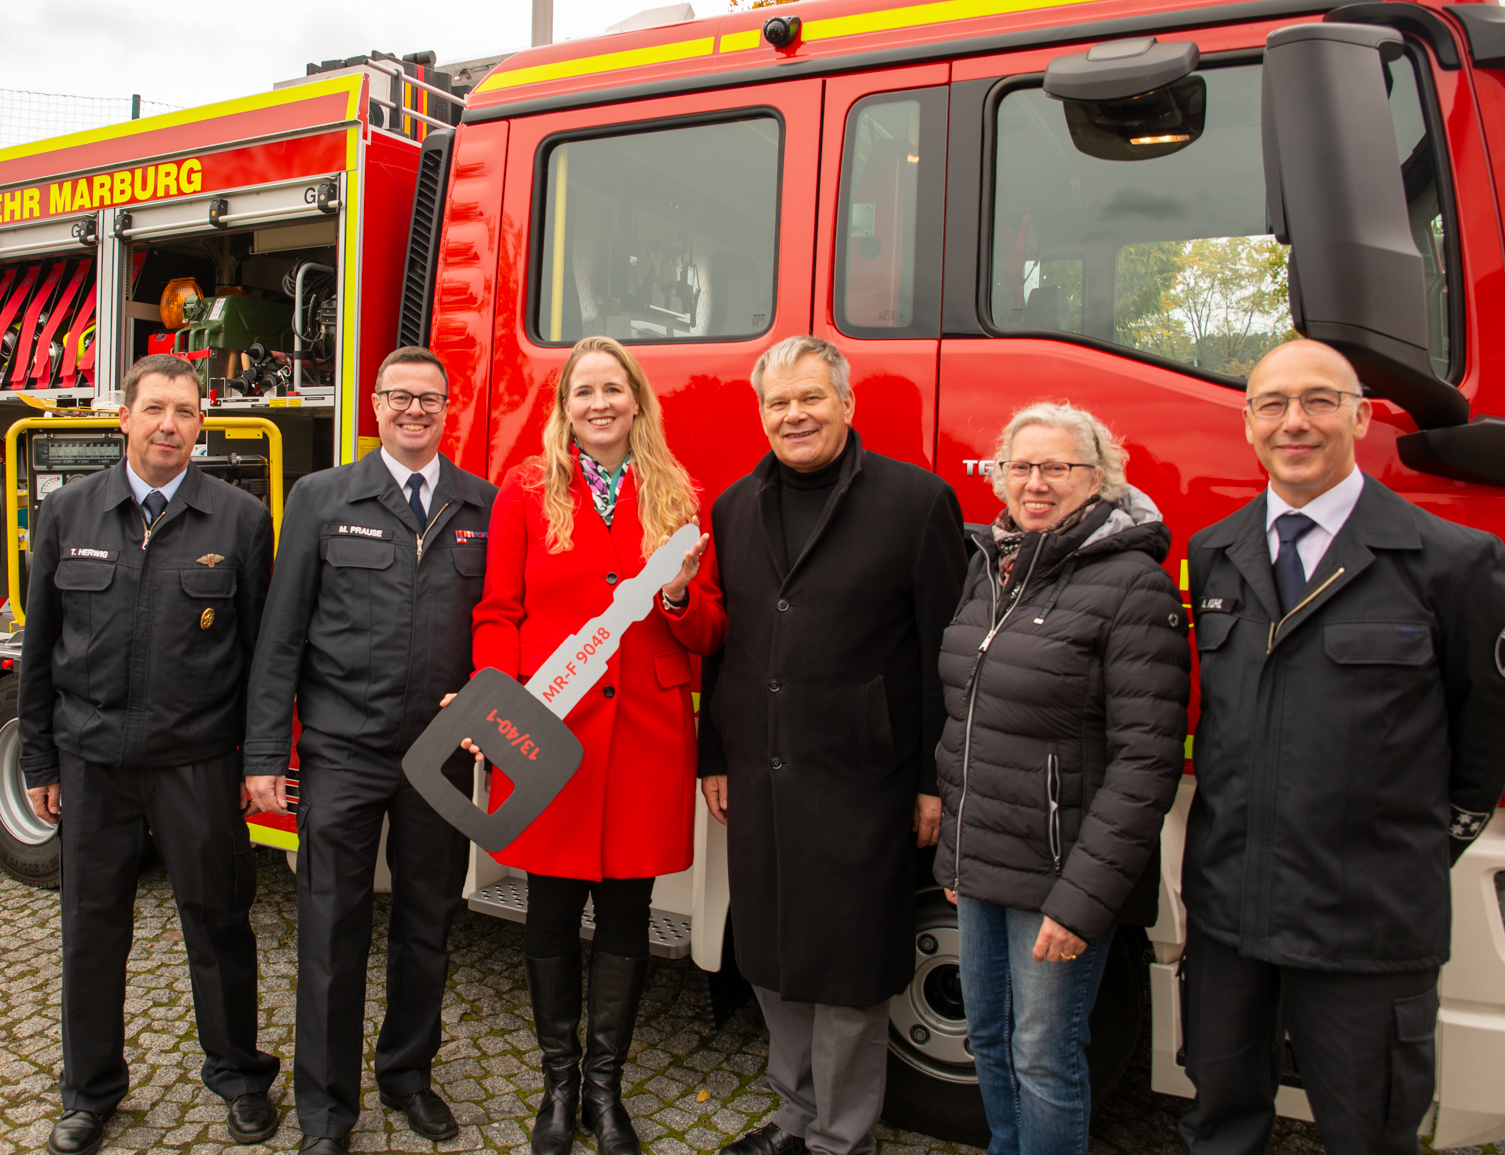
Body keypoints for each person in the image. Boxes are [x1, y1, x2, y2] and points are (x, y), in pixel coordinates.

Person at [1179, 339, 1505, 1155]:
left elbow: (1496, 716)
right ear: (1247, 423)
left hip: (1366, 919)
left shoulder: (1448, 560)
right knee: (1218, 1121)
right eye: (1271, 404)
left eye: (1318, 401)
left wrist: (1424, 838)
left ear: (1361, 416)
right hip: (1230, 906)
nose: (1292, 422)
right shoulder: (1217, 551)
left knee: (1368, 1133)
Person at [698, 335, 966, 1155]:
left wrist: (931, 780)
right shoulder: (735, 505)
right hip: (760, 770)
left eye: (810, 398)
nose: (794, 415)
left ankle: (842, 1137)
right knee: (772, 954)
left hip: (865, 776)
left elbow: (941, 651)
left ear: (847, 404)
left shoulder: (917, 501)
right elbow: (726, 642)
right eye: (778, 403)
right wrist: (714, 751)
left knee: (849, 968)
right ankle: (793, 1116)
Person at [19, 354, 283, 1155]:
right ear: (123, 418)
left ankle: (239, 1075)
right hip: (91, 760)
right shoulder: (68, 513)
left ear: (203, 426)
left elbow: (261, 652)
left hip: (196, 762)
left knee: (220, 923)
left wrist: (254, 757)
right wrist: (39, 761)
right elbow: (38, 647)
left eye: (187, 411)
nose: (170, 424)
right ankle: (89, 1091)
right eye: (156, 408)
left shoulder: (239, 519)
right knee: (92, 931)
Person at [466, 335, 723, 1155]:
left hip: (647, 735)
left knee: (626, 912)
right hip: (551, 728)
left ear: (637, 399)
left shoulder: (679, 494)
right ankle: (556, 1083)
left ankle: (604, 1091)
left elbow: (711, 630)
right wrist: (500, 714)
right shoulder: (528, 490)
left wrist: (679, 596)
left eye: (614, 388)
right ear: (564, 406)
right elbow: (498, 611)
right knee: (548, 907)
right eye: (584, 391)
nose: (600, 403)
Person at [244, 346, 497, 1155]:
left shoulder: (482, 505)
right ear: (375, 405)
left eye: (430, 398)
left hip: (440, 757)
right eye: (400, 396)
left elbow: (503, 627)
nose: (414, 410)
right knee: (329, 928)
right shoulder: (321, 498)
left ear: (448, 408)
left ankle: (408, 1074)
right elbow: (279, 638)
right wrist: (262, 757)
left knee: (429, 920)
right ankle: (326, 1109)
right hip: (342, 751)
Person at [934, 403, 1189, 1155]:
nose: (1036, 483)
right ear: (1000, 476)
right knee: (987, 1036)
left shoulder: (1133, 584)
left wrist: (1082, 904)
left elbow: (1147, 761)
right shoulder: (991, 566)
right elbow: (968, 720)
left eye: (1058, 468)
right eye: (1020, 466)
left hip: (1060, 876)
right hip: (981, 862)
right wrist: (956, 847)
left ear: (1099, 478)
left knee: (1045, 1056)